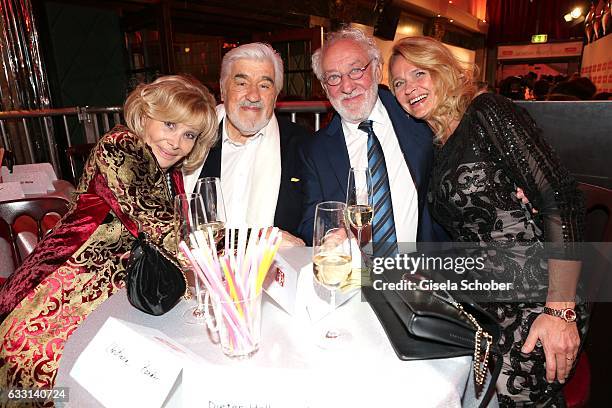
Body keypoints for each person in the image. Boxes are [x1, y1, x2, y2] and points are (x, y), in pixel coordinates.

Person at [388, 36, 588, 406]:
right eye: (398, 83)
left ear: (444, 70)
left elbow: (561, 197)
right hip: (487, 303)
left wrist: (560, 311)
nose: (409, 88)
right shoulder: (441, 142)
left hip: (537, 299)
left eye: (419, 73)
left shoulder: (488, 111)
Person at [0, 75, 218, 389]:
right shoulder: (121, 147)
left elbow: (180, 232)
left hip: (120, 279)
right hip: (73, 276)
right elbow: (159, 227)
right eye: (169, 125)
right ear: (144, 117)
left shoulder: (168, 168)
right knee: (57, 371)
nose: (177, 143)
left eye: (189, 135)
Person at [298, 28, 440, 250]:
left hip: (422, 273)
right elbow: (309, 221)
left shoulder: (417, 117)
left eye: (356, 70)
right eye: (334, 77)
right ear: (325, 88)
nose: (347, 86)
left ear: (376, 70)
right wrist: (333, 236)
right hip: (358, 277)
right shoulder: (314, 150)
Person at [183, 42, 309, 246]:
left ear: (275, 97)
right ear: (223, 91)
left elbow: (317, 224)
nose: (253, 95)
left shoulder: (303, 147)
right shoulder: (190, 138)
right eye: (242, 83)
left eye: (264, 85)